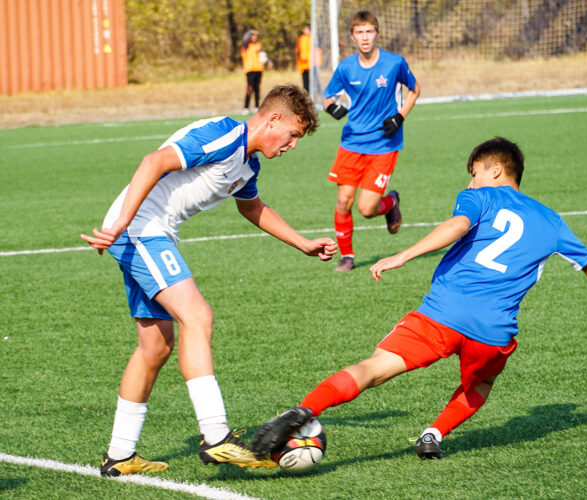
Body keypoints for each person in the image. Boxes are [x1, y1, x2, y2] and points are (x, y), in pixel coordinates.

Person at [251, 137, 587, 460]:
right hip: (492, 331)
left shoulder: (478, 197)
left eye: (475, 173)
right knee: (481, 383)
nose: (470, 182)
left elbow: (458, 225)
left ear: (497, 169)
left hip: (442, 314)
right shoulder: (552, 221)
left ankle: (303, 410)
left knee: (374, 369)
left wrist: (403, 255)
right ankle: (434, 433)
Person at [80, 84, 338, 477]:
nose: (292, 146)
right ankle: (215, 435)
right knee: (197, 316)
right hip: (140, 229)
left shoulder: (248, 164)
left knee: (155, 347)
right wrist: (120, 225)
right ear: (272, 120)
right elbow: (154, 162)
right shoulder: (223, 135)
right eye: (293, 135)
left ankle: (119, 455)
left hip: (150, 233)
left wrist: (302, 244)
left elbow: (251, 207)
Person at [323, 10, 420, 272]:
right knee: (343, 201)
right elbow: (327, 98)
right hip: (352, 144)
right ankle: (347, 257)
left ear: (377, 34)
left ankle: (391, 203)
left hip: (384, 145)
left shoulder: (394, 63)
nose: (365, 38)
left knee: (367, 209)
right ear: (352, 37)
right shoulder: (345, 67)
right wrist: (333, 109)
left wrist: (400, 117)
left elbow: (415, 89)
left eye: (369, 32)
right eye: (359, 33)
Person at [240, 29, 270, 115]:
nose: (254, 37)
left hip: (258, 69)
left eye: (255, 36)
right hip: (250, 70)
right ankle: (246, 107)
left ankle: (257, 106)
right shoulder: (246, 45)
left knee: (257, 88)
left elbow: (263, 56)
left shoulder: (258, 45)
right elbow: (245, 39)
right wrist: (250, 32)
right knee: (250, 88)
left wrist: (268, 61)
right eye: (252, 35)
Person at [296, 25, 312, 93]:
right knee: (305, 82)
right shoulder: (301, 38)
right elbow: (298, 50)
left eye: (306, 29)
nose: (304, 30)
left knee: (312, 81)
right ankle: (307, 95)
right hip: (303, 64)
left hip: (311, 64)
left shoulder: (312, 38)